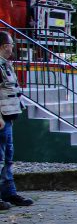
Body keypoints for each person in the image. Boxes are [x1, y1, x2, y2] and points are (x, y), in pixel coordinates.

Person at [0, 32, 32, 209]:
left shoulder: (7, 65)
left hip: (9, 116)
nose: (13, 47)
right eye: (11, 44)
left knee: (7, 158)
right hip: (1, 118)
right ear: (4, 45)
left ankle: (9, 193)